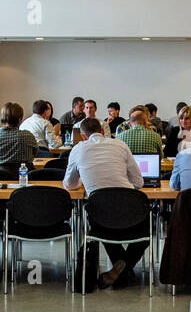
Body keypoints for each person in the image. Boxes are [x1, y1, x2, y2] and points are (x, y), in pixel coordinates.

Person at [62, 116, 147, 288]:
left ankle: (121, 269)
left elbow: (69, 185)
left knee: (103, 225)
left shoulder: (78, 149)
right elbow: (139, 183)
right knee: (146, 232)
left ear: (84, 136)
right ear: (102, 131)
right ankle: (125, 267)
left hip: (101, 216)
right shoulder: (120, 145)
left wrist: (84, 180)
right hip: (131, 213)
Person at [0, 102, 39, 168]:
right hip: (24, 176)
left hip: (0, 177)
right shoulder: (28, 136)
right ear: (20, 120)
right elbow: (35, 153)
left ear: (2, 118)